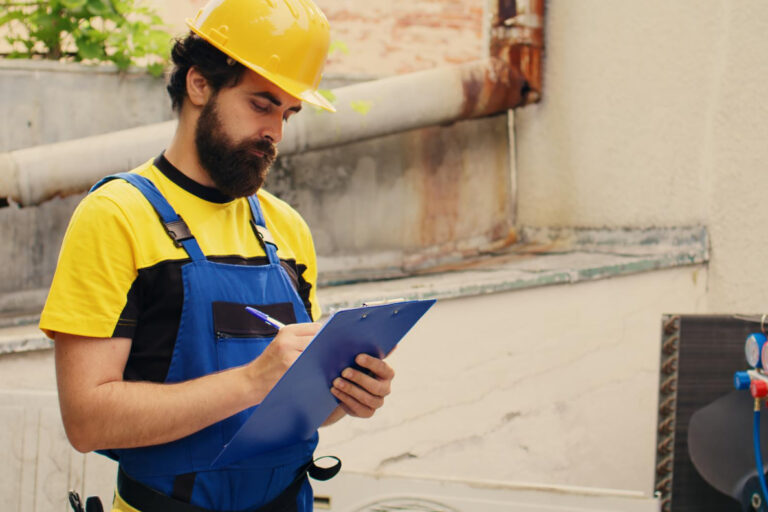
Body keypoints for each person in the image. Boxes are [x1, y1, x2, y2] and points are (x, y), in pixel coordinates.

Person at [39, 0, 396, 510]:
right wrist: (253, 379)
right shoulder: (116, 215)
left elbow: (300, 404)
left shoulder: (286, 229)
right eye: (261, 103)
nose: (275, 131)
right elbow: (86, 419)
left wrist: (345, 394)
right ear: (199, 83)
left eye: (288, 112)